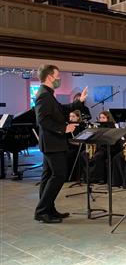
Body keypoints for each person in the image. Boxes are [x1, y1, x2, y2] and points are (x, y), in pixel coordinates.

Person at [34, 64, 88, 223]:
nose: (59, 78)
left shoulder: (48, 94)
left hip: (52, 142)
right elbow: (42, 120)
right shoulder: (44, 95)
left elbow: (62, 110)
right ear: (50, 76)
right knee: (59, 174)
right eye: (58, 75)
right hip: (52, 143)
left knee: (48, 176)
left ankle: (48, 209)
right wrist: (63, 128)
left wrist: (79, 101)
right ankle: (42, 210)